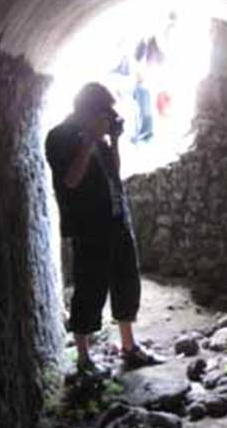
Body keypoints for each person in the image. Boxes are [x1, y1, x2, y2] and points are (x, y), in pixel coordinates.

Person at [45, 82, 163, 373]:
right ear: (87, 110)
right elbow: (70, 181)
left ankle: (128, 346)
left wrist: (113, 139)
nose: (108, 116)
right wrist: (89, 141)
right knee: (90, 286)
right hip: (89, 224)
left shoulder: (99, 136)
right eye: (103, 112)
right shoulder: (60, 137)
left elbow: (115, 172)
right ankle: (84, 359)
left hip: (116, 217)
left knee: (126, 279)